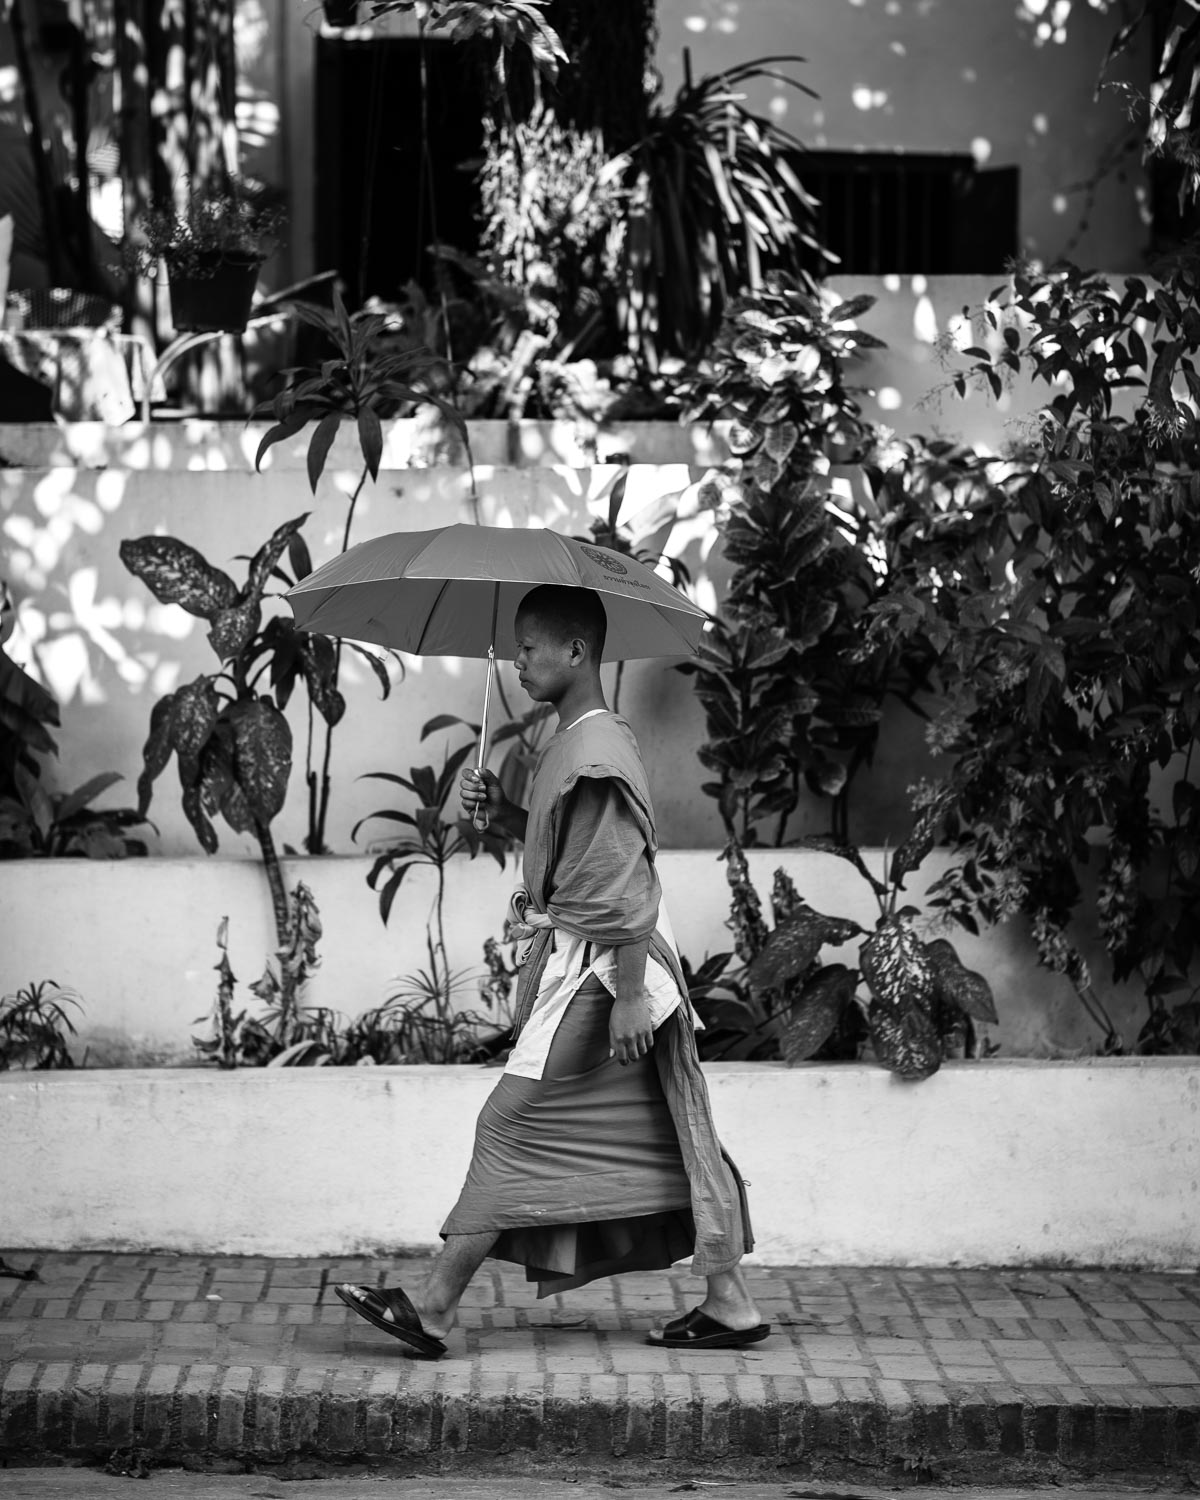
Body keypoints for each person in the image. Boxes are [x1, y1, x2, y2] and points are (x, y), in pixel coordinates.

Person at [337, 584, 767, 1356]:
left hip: (610, 974)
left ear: (577, 651)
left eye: (531, 645)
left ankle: (432, 1308)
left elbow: (624, 884)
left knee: (507, 1122)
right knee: (663, 1132)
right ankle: (729, 1298)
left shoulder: (594, 750)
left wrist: (632, 995)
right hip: (605, 964)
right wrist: (503, 812)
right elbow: (570, 864)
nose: (517, 660)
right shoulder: (576, 741)